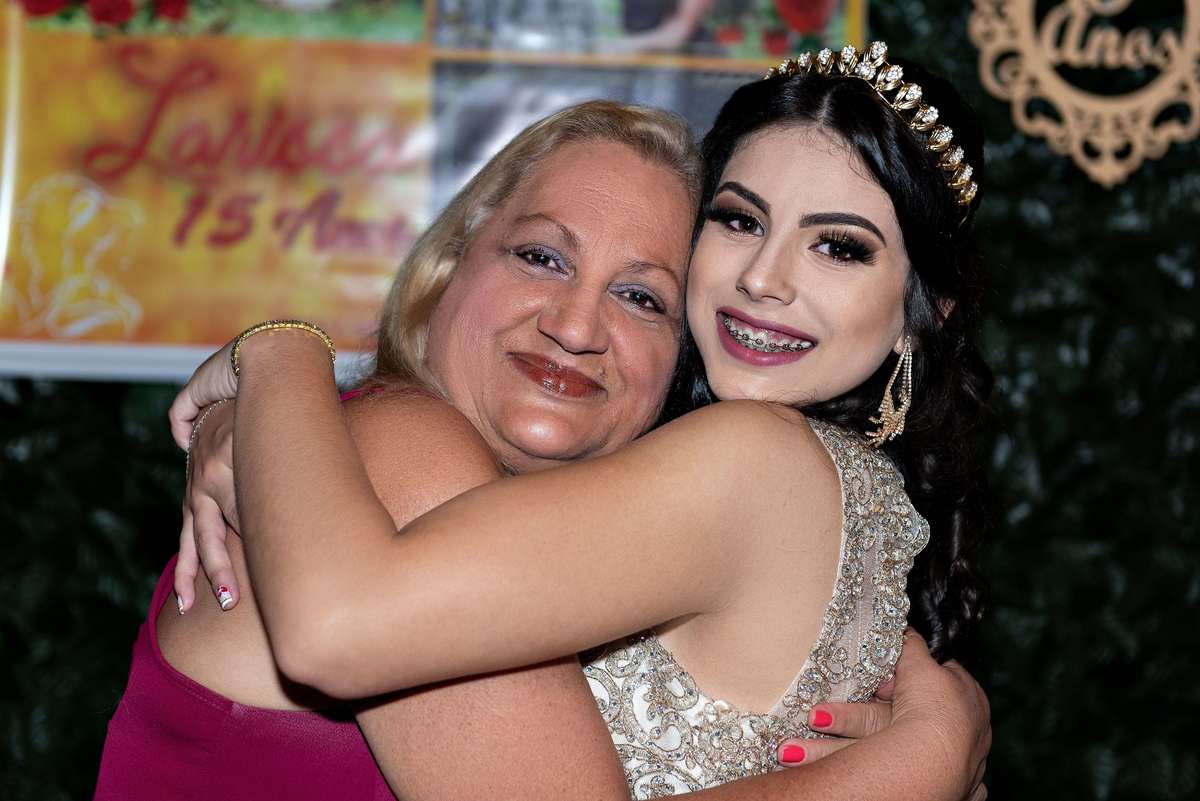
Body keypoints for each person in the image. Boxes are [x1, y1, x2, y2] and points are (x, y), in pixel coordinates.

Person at [97, 98, 988, 801]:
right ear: (449, 264)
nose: (575, 325)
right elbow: (335, 630)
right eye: (541, 258)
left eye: (642, 298)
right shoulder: (409, 446)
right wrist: (283, 348)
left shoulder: (631, 540)